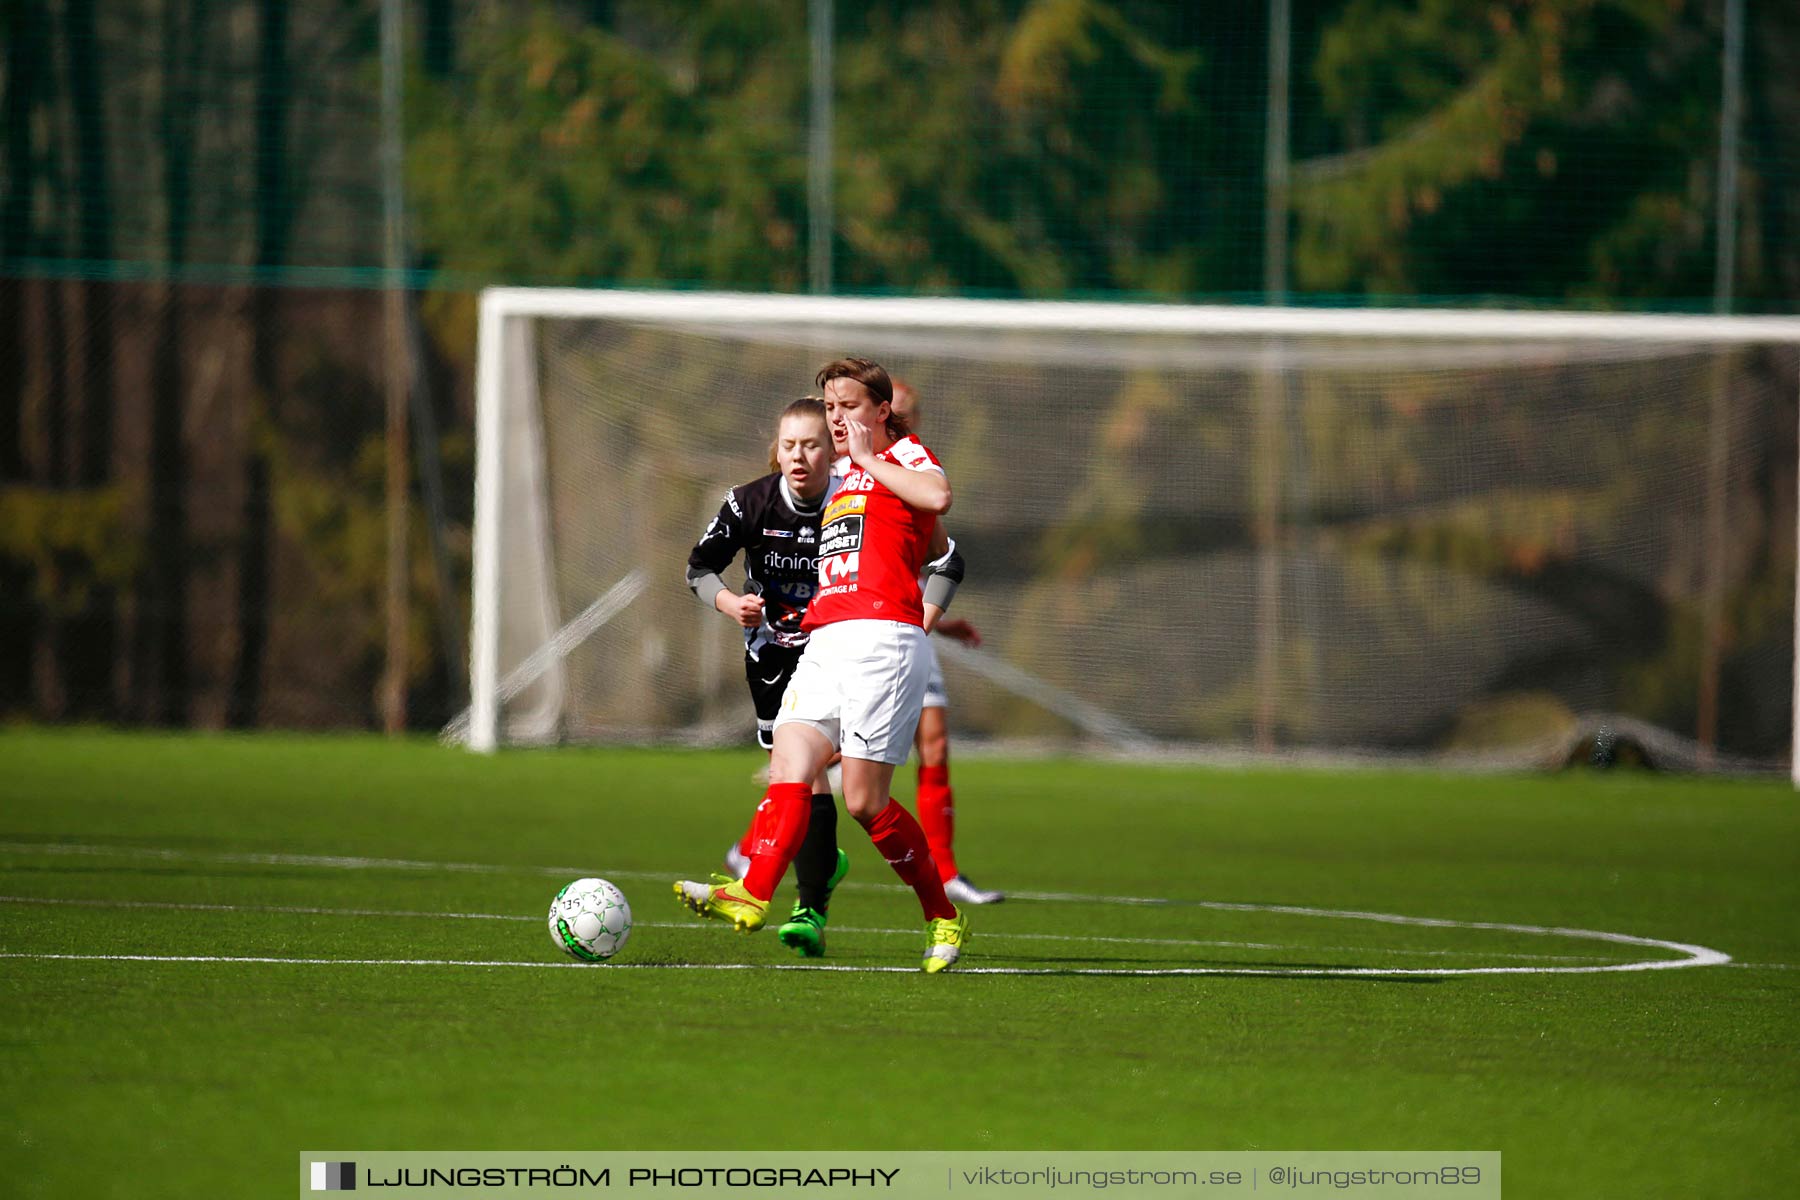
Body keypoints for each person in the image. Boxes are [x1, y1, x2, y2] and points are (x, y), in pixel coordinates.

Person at [676, 357, 970, 973]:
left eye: (849, 407)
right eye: (830, 408)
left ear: (882, 412)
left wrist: (925, 619)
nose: (837, 418)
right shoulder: (838, 475)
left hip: (883, 644)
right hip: (825, 640)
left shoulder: (906, 455)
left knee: (864, 802)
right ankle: (753, 892)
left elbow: (941, 514)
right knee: (792, 756)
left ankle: (942, 914)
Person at [685, 397, 848, 956]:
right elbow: (699, 568)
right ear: (775, 450)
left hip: (837, 652)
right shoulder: (748, 503)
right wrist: (731, 603)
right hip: (772, 653)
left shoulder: (854, 502)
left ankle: (802, 902)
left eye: (810, 444)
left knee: (800, 773)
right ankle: (814, 878)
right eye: (788, 445)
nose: (798, 456)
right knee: (797, 775)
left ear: (832, 450)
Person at [889, 379, 1005, 906]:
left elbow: (930, 557)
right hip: (856, 629)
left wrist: (941, 619)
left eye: (911, 415)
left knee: (933, 742)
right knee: (818, 749)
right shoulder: (852, 471)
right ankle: (755, 846)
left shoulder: (914, 471)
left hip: (909, 624)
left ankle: (947, 870)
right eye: (896, 413)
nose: (904, 423)